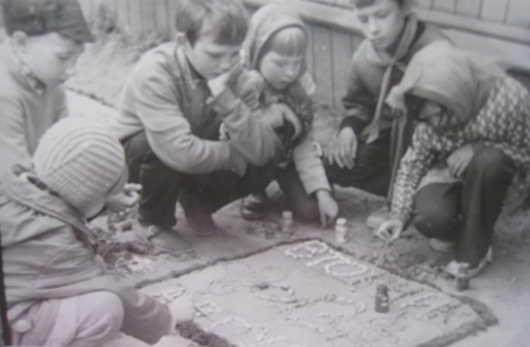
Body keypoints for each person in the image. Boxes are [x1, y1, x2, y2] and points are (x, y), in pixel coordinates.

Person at [0, 118, 196, 347]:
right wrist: (166, 318)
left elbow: (59, 207)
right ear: (86, 195)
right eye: (103, 193)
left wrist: (102, 198)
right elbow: (106, 285)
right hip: (10, 327)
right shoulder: (58, 246)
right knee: (104, 306)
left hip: (11, 300)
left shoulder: (14, 186)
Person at [109, 0, 283, 254]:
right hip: (139, 161)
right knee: (154, 146)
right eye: (215, 55)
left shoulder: (237, 76)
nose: (226, 64)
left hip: (193, 151)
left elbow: (263, 151)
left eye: (235, 54)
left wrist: (228, 101)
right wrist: (233, 154)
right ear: (184, 43)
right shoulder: (156, 71)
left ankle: (198, 200)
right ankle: (152, 220)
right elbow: (177, 150)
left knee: (268, 152)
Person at [375, 41, 530, 279]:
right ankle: (472, 228)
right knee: (430, 217)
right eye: (426, 120)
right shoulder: (428, 119)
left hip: (499, 180)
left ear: (452, 95)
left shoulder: (509, 98)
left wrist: (478, 148)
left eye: (436, 116)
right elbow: (412, 165)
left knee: (489, 161)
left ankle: (473, 251)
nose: (434, 126)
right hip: (450, 175)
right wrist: (398, 215)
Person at [0, 0, 140, 213]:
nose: (72, 71)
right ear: (21, 43)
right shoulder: (5, 91)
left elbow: (67, 154)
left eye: (76, 58)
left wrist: (103, 191)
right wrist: (97, 202)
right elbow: (19, 184)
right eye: (63, 57)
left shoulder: (50, 81)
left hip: (32, 193)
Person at [323, 0, 448, 225]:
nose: (373, 29)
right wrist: (348, 129)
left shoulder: (437, 50)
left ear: (404, 7)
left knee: (435, 215)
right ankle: (401, 193)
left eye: (381, 15)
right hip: (389, 144)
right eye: (364, 19)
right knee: (332, 163)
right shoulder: (365, 56)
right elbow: (357, 104)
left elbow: (456, 116)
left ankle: (422, 201)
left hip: (433, 147)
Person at [238, 5, 339, 227]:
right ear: (257, 54)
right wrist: (271, 117)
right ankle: (255, 189)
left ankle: (308, 184)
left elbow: (304, 144)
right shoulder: (245, 85)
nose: (290, 72)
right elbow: (236, 133)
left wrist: (321, 192)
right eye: (281, 63)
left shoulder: (299, 91)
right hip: (251, 160)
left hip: (286, 159)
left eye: (297, 62)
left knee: (311, 210)